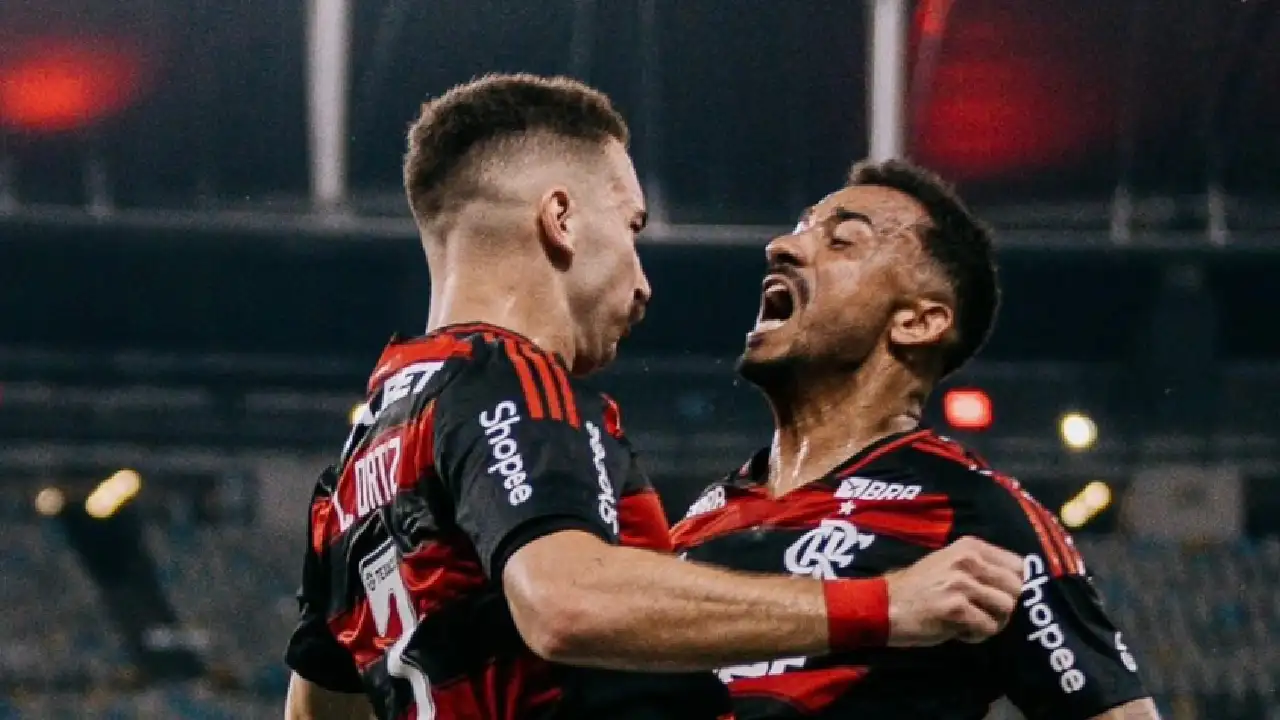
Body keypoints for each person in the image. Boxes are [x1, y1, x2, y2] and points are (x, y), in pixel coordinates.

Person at [281, 74, 1027, 720]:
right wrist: (889, 605)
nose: (642, 282)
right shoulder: (516, 381)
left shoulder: (359, 458)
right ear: (561, 218)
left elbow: (318, 706)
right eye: (632, 227)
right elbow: (567, 603)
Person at [670, 160, 1159, 720]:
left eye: (842, 241)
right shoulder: (698, 519)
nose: (781, 246)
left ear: (918, 322)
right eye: (800, 229)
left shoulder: (977, 514)